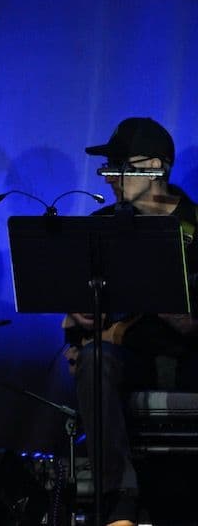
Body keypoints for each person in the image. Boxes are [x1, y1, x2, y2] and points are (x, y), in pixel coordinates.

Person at [64, 117, 197, 526]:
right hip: (128, 360)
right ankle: (119, 503)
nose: (111, 180)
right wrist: (76, 317)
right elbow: (77, 325)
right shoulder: (102, 229)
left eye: (120, 166)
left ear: (155, 166)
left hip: (189, 360)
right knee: (95, 361)